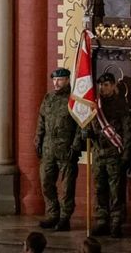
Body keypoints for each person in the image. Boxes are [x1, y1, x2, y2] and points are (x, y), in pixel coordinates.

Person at [34, 67, 81, 231]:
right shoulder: (49, 98)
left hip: (66, 149)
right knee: (46, 182)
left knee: (67, 186)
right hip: (48, 148)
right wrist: (38, 139)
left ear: (67, 80)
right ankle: (52, 214)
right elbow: (41, 120)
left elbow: (81, 126)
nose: (56, 83)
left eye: (59, 80)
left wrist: (75, 146)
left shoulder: (73, 99)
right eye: (54, 80)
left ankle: (64, 217)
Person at [86, 72, 131, 238]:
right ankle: (102, 221)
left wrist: (126, 154)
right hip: (99, 154)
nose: (102, 88)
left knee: (116, 191)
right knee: (100, 190)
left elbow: (127, 131)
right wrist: (87, 133)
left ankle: (116, 223)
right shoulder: (95, 105)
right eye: (100, 85)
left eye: (106, 85)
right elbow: (90, 126)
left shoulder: (121, 105)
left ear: (113, 86)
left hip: (114, 155)